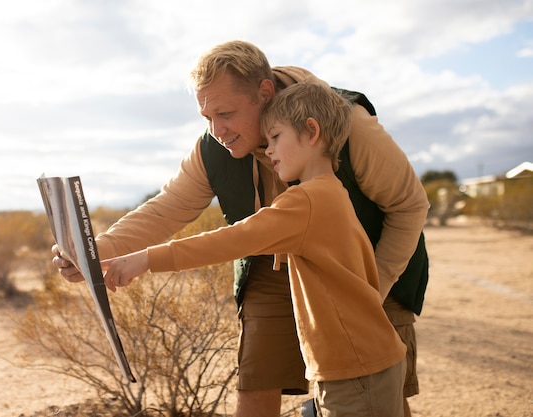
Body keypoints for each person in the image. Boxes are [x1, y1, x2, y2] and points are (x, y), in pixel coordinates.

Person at [53, 40, 429, 417]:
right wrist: (92, 251)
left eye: (226, 113)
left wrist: (371, 289)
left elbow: (409, 205)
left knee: (378, 393)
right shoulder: (215, 147)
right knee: (258, 382)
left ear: (264, 93)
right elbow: (166, 209)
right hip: (274, 264)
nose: (217, 129)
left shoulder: (344, 124)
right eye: (207, 117)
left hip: (369, 264)